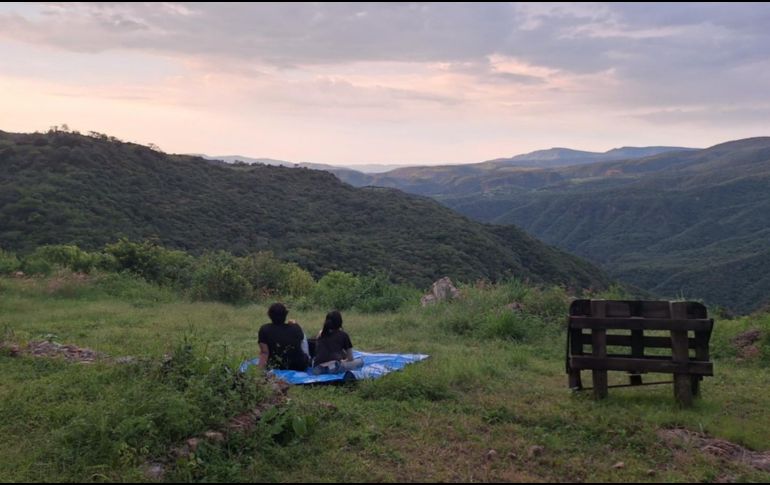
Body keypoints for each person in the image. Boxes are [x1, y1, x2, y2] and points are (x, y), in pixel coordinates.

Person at [258, 303, 310, 371]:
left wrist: (258, 372)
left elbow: (264, 353)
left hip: (275, 366)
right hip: (299, 366)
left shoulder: (264, 329)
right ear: (285, 315)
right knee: (303, 336)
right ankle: (309, 359)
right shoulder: (296, 328)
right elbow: (300, 339)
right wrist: (295, 324)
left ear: (269, 315)